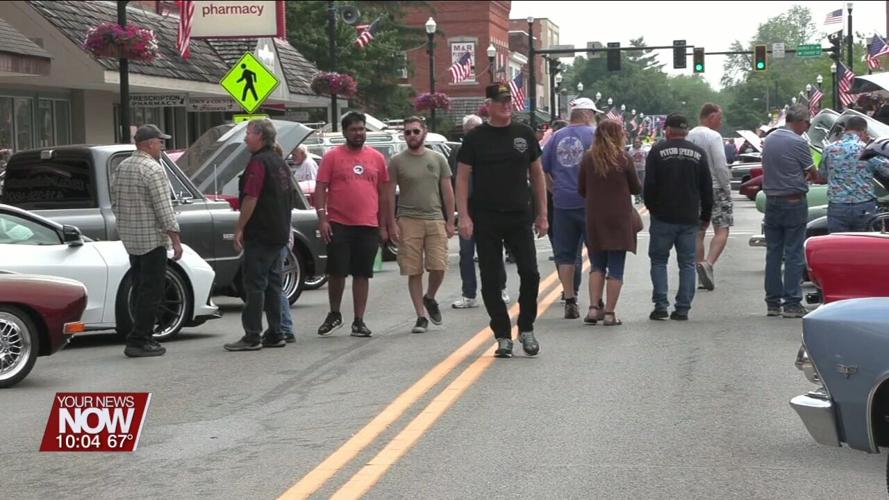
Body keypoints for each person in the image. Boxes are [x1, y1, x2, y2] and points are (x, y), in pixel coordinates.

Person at [456, 82, 548, 358]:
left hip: (519, 215)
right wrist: (464, 216)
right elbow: (462, 178)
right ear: (489, 106)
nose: (507, 105)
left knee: (530, 273)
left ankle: (526, 328)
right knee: (491, 278)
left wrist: (543, 214)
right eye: (500, 101)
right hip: (486, 217)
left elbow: (537, 175)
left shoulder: (524, 134)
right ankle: (502, 334)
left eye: (509, 100)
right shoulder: (476, 138)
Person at [315, 112, 390, 337]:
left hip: (368, 225)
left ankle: (359, 320)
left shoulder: (377, 158)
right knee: (337, 272)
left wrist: (384, 225)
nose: (358, 133)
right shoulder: (332, 157)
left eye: (361, 129)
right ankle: (334, 313)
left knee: (362, 273)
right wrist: (322, 218)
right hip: (339, 223)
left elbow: (384, 195)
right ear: (345, 132)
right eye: (354, 130)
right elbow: (321, 188)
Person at [111, 124, 183, 358]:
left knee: (139, 288)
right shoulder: (153, 169)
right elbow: (164, 208)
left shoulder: (122, 167)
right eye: (160, 143)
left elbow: (115, 203)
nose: (162, 147)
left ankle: (138, 334)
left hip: (132, 239)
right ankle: (140, 339)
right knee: (152, 291)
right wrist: (175, 239)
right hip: (152, 239)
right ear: (149, 144)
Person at [223, 120, 293, 351]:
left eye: (249, 133)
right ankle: (276, 332)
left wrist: (239, 228)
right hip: (279, 232)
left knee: (254, 284)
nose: (245, 138)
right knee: (273, 284)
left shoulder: (259, 162)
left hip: (261, 233)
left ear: (260, 136)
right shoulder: (280, 162)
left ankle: (252, 335)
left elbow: (251, 197)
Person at [388, 116, 455, 333]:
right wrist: (391, 223)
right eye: (407, 132)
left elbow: (447, 191)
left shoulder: (437, 159)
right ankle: (420, 316)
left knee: (439, 265)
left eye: (415, 131)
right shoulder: (397, 161)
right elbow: (388, 194)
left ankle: (430, 297)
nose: (412, 136)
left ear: (424, 132)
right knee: (413, 270)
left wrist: (450, 220)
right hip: (408, 220)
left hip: (435, 218)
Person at [643, 113, 713, 321]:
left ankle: (661, 305)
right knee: (687, 263)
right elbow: (706, 188)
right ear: (686, 131)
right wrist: (705, 215)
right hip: (689, 216)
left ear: (667, 130)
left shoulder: (657, 151)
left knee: (658, 261)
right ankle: (683, 307)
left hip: (663, 215)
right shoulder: (698, 153)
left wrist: (652, 208)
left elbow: (649, 185)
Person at [578, 120, 642, 326]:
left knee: (597, 265)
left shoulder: (588, 158)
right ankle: (609, 313)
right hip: (619, 218)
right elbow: (636, 188)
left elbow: (581, 188)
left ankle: (593, 309)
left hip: (595, 216)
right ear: (617, 135)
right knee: (616, 267)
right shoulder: (623, 158)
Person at [541, 97, 600, 319]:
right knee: (596, 253)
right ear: (587, 114)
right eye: (594, 114)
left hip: (563, 202)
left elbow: (542, 167)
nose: (594, 118)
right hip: (590, 202)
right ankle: (595, 302)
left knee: (565, 255)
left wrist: (553, 189)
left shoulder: (556, 137)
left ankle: (569, 298)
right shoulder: (595, 136)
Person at [761, 104, 816, 319]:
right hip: (793, 201)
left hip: (772, 201)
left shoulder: (770, 139)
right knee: (793, 253)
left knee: (773, 253)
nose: (807, 127)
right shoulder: (798, 142)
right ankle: (792, 302)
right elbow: (813, 172)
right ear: (799, 121)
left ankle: (772, 302)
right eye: (807, 123)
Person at [449, 114, 509, 309]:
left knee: (493, 251)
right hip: (467, 207)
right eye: (469, 130)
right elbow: (454, 181)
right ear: (464, 132)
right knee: (466, 253)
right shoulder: (458, 152)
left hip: (489, 207)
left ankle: (500, 288)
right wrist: (459, 213)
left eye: (476, 129)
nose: (473, 133)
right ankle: (468, 294)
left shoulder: (491, 149)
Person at [687, 103, 732, 291]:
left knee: (698, 231)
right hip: (715, 187)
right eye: (719, 118)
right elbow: (720, 164)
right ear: (711, 117)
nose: (721, 122)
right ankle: (708, 263)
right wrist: (726, 187)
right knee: (722, 228)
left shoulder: (688, 136)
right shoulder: (714, 136)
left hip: (694, 189)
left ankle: (699, 269)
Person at [822, 116, 889, 233]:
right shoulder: (867, 150)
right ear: (863, 132)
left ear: (845, 130)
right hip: (864, 206)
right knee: (863, 241)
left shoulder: (829, 149)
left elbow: (823, 175)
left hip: (838, 206)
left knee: (838, 242)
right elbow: (886, 170)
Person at [627, 137, 648, 204]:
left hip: (642, 169)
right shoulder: (630, 151)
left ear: (640, 143)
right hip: (634, 170)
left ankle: (642, 197)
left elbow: (647, 159)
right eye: (635, 142)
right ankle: (637, 198)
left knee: (642, 184)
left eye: (638, 142)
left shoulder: (643, 151)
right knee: (636, 184)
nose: (637, 143)